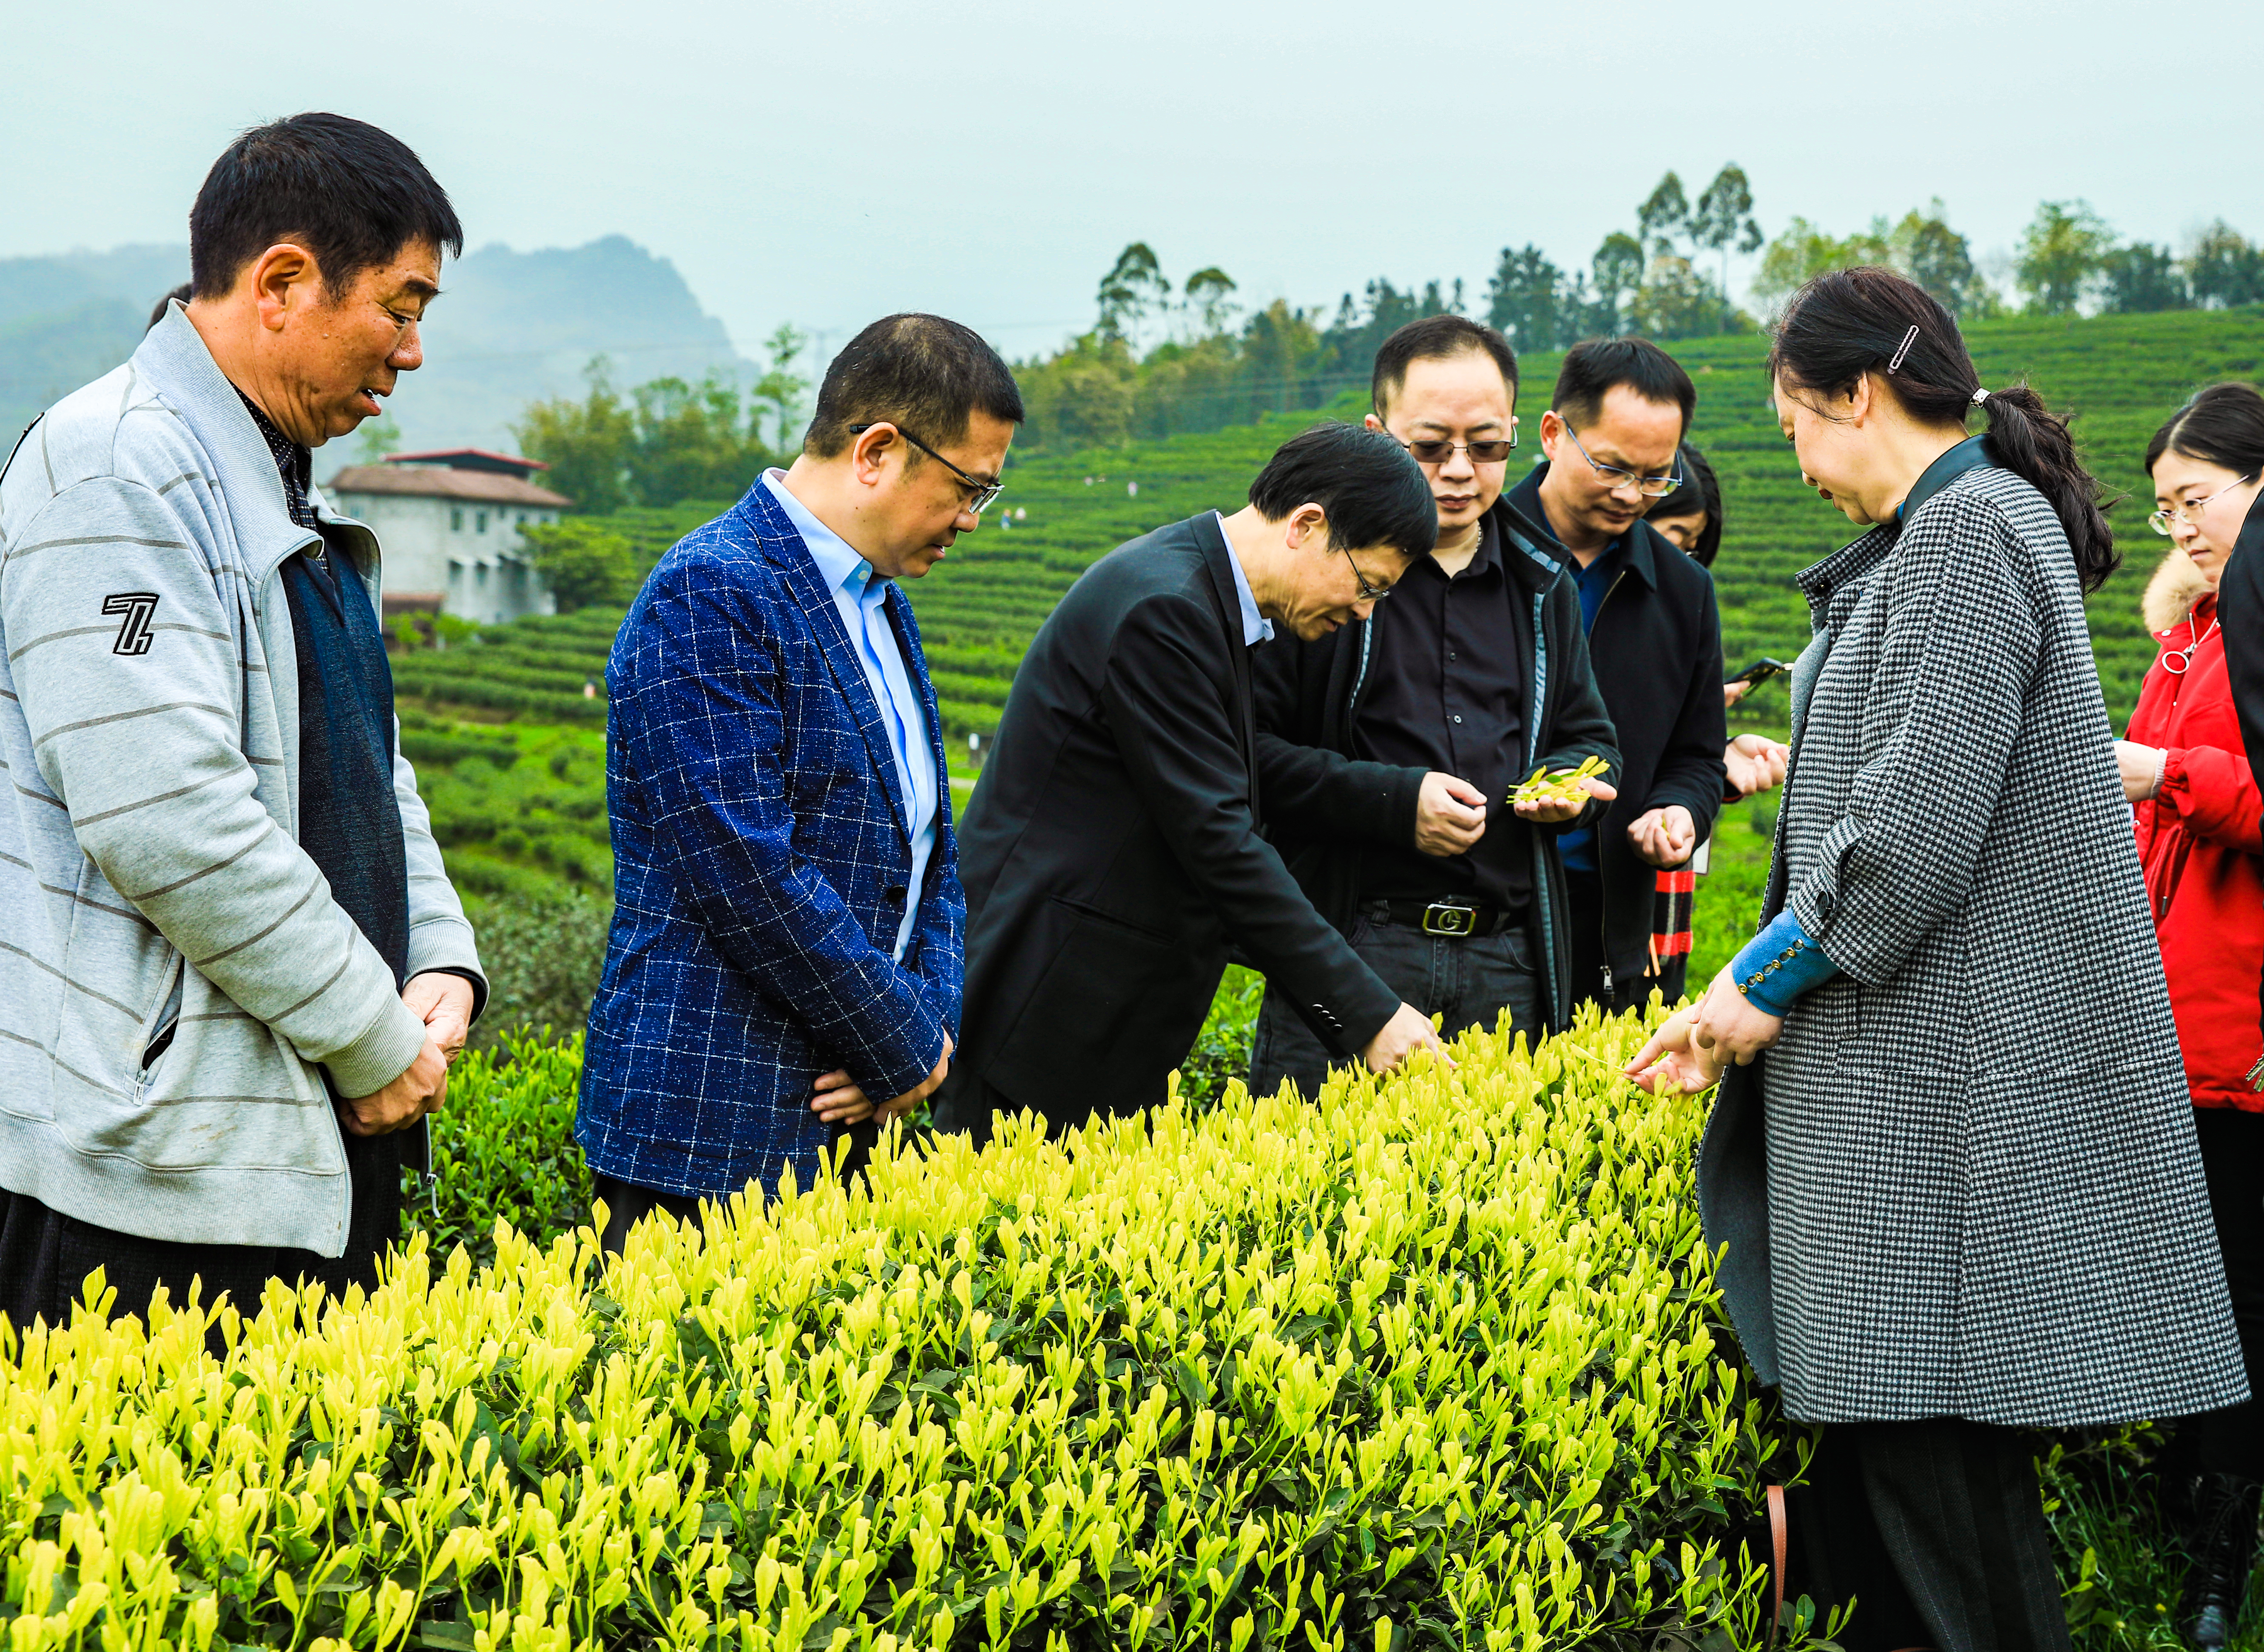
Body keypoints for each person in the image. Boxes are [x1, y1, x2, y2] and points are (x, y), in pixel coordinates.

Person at [1629, 265, 2245, 1652]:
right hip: (1911, 1108)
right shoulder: (1947, 532)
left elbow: (1905, 842)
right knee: (1894, 1512)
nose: (1787, 452)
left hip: (1940, 1134)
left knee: (1942, 1499)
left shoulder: (1969, 530)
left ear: (1855, 395)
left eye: (1792, 416)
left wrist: (1749, 989)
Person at [0, 114, 486, 1330]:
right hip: (151, 1179)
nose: (414, 351)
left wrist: (435, 955)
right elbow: (165, 812)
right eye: (401, 305)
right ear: (281, 281)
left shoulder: (264, 480)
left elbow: (370, 760)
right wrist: (370, 1036)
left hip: (281, 1136)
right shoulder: (116, 470)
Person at [577, 314, 1009, 1250]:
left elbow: (928, 853)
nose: (973, 518)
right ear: (878, 452)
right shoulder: (712, 588)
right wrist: (902, 1041)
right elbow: (743, 869)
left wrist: (925, 1035)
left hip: (853, 1110)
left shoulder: (881, 603)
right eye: (969, 486)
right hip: (711, 1127)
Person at [934, 424, 1450, 1142]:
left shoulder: (1205, 598)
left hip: (1094, 1011)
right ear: (1308, 525)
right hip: (1044, 1014)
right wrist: (1370, 1015)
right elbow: (1220, 840)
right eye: (1368, 585)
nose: (1365, 611)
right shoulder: (1167, 609)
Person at [1243, 317, 1621, 1102]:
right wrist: (1392, 802)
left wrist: (1567, 786)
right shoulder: (1314, 573)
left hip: (1505, 956)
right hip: (1356, 942)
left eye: (1485, 447)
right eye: (1431, 446)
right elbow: (1250, 756)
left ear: (1517, 435)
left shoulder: (1542, 582)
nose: (1459, 471)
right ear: (1380, 433)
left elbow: (1592, 736)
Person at [2115, 384, 2264, 1647]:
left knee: (2237, 1293)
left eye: (2196, 500)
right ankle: (2175, 1529)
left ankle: (2214, 1568)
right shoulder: (2192, 636)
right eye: (2164, 509)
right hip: (2176, 1006)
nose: (2179, 530)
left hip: (2240, 1008)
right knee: (2190, 1278)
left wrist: (2163, 773)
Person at [1508, 342, 1729, 1010]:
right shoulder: (1477, 556)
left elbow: (1697, 754)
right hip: (1488, 921)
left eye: (1656, 476)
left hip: (1611, 926)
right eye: (1611, 467)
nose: (1632, 494)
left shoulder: (1682, 590)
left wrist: (1680, 810)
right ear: (1553, 434)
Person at [1641, 443, 1787, 979]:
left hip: (1666, 911)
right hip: (1615, 914)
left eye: (1694, 554)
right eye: (1674, 544)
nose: (1685, 572)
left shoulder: (1679, 623)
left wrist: (1713, 757)